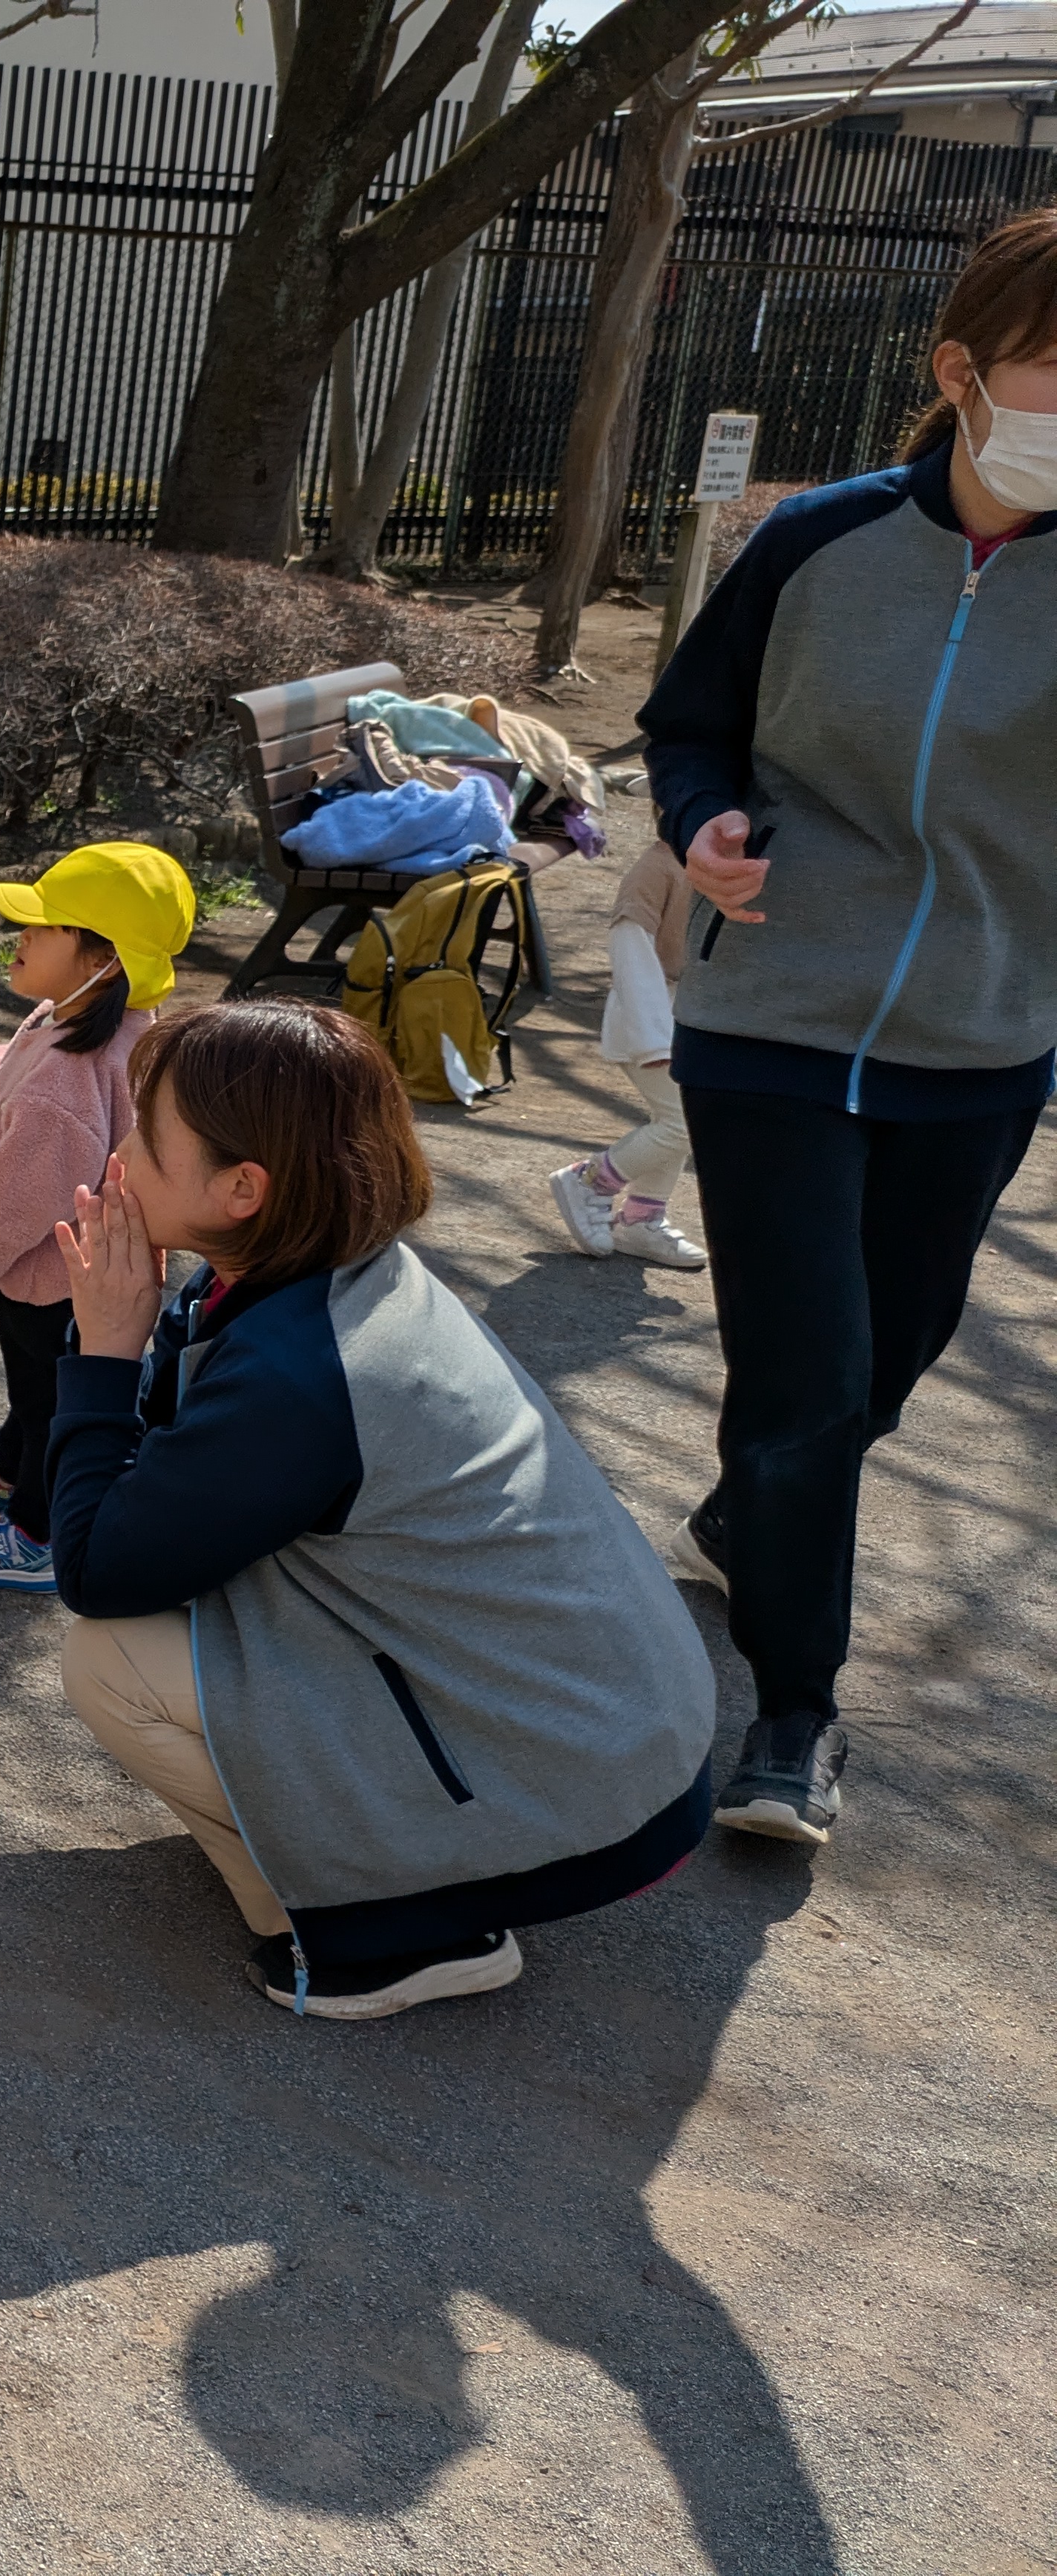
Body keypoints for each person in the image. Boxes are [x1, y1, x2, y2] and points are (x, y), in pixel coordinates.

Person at [636, 209, 1057, 1847]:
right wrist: (706, 824)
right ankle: (792, 1711)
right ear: (962, 371)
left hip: (982, 1037)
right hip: (774, 1023)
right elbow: (686, 728)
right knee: (806, 1376)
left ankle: (756, 1513)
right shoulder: (810, 542)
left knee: (887, 1359)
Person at [45, 999, 714, 2021]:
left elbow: (99, 1567)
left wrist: (101, 1355)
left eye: (150, 1134)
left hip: (584, 1790)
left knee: (110, 1660)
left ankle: (385, 1929)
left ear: (242, 1190)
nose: (123, 1150)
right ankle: (374, 1856)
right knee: (191, 1619)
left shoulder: (298, 1376)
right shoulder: (334, 1273)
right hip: (609, 1731)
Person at [0, 840, 194, 1594]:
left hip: (52, 1272)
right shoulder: (98, 1020)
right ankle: (7, 1470)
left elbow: (17, 1191)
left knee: (50, 1397)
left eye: (44, 925)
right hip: (79, 1267)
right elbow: (8, 1065)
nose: (20, 935)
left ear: (104, 957)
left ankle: (39, 1528)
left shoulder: (70, 1069)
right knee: (40, 1388)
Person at [544, 837, 708, 1270]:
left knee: (675, 1119)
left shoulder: (712, 864)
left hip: (688, 1015)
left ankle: (641, 1219)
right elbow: (630, 944)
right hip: (649, 1015)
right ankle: (592, 1180)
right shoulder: (658, 866)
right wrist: (654, 1036)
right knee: (682, 1122)